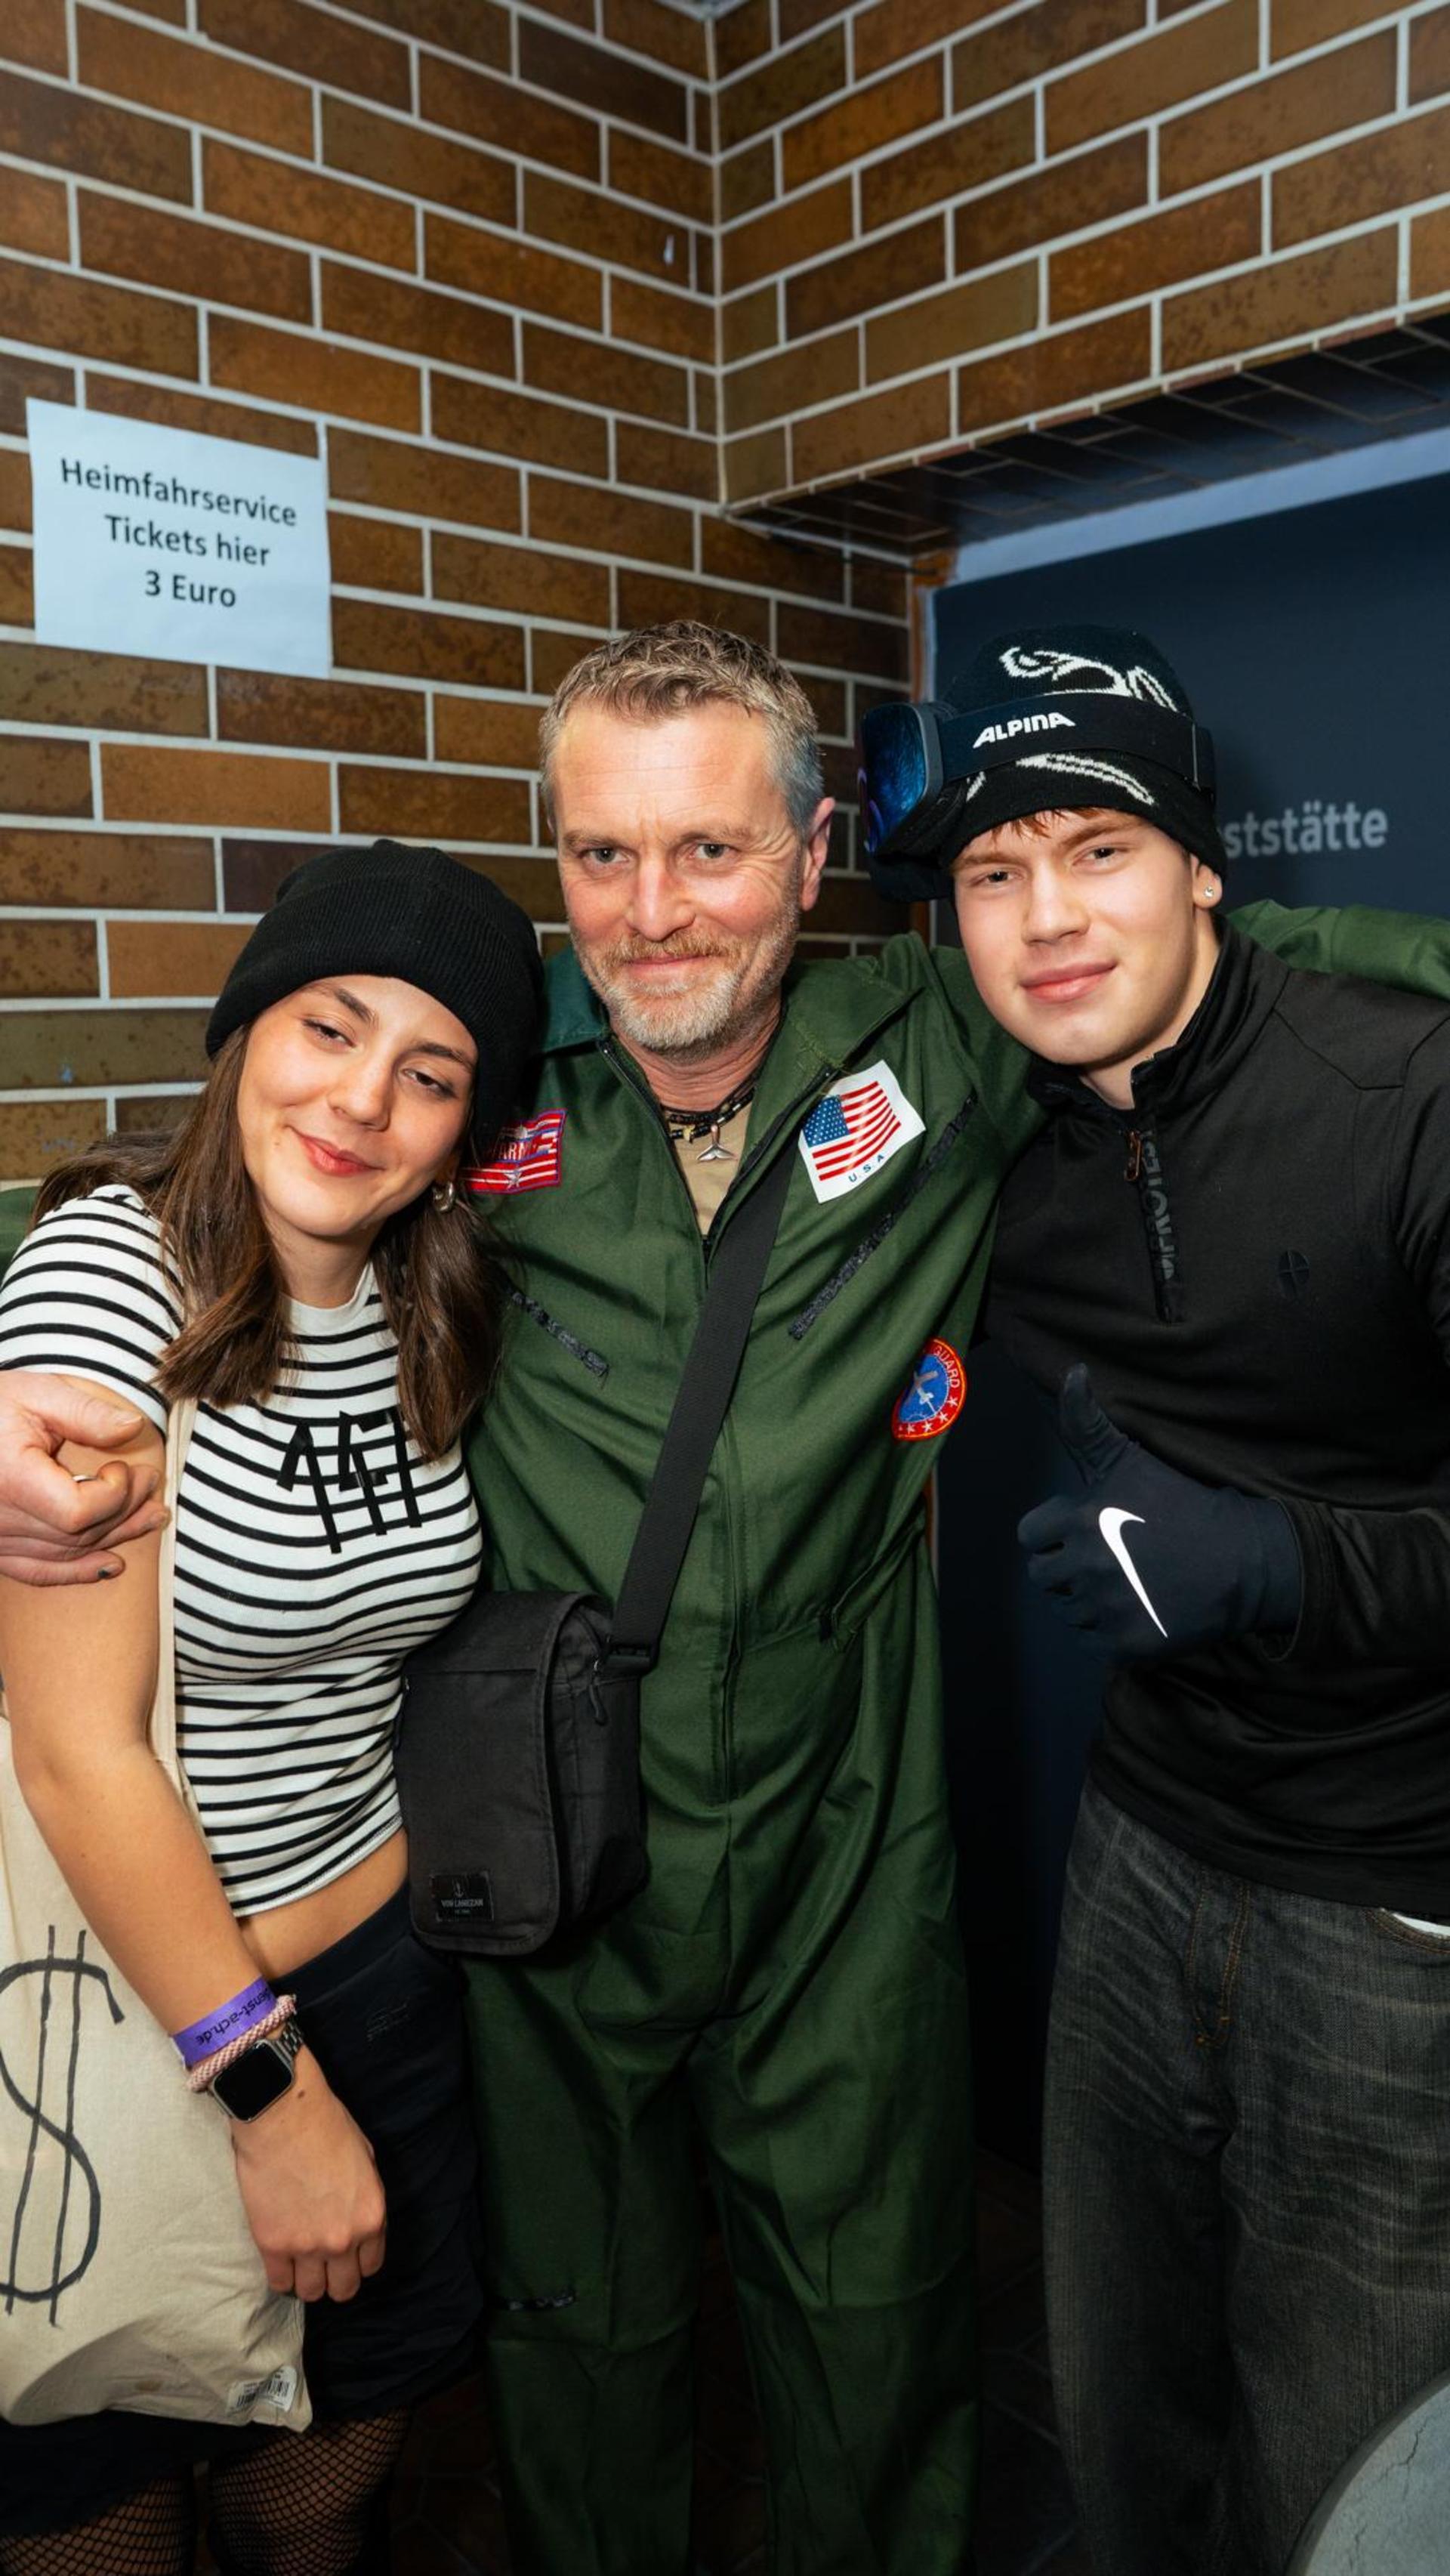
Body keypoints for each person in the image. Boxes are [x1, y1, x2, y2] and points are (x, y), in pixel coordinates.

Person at [2, 625, 1445, 2576]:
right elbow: (192, 1192)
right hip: (546, 1862)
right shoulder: (478, 1092)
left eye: (710, 850)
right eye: (602, 855)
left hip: (845, 1842)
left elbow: (1273, 976)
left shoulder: (944, 1041)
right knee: (579, 2342)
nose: (656, 911)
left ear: (814, 846)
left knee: (873, 2331)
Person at [914, 622, 1450, 2576]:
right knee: (1120, 2384)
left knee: (1359, 2449)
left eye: (1101, 848)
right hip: (1145, 1848)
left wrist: (1278, 1561)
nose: (1047, 917)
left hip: (1400, 1897)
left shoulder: (1406, 1094)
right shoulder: (999, 1140)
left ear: (1207, 862)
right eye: (994, 871)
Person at [0, 840, 542, 2576]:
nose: (362, 1099)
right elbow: (81, 1754)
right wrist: (271, 2093)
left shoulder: (428, 1307)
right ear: (247, 1031)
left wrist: (342, 2070)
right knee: (105, 2520)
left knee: (325, 2494)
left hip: (385, 1992)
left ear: (469, 1130)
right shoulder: (116, 1269)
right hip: (144, 2026)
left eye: (431, 1070)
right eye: (329, 1026)